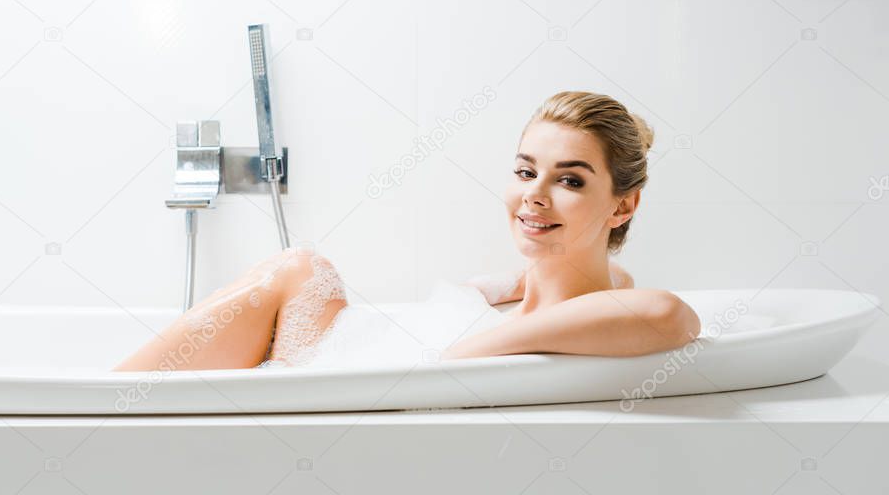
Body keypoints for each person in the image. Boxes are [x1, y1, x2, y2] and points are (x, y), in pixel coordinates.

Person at [111, 90, 700, 372]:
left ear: (623, 207)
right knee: (302, 266)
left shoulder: (613, 309)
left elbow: (671, 316)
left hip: (339, 377)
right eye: (525, 171)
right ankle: (102, 401)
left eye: (569, 181)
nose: (533, 195)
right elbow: (605, 275)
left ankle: (99, 405)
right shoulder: (593, 287)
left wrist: (466, 348)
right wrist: (497, 290)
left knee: (297, 269)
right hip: (332, 359)